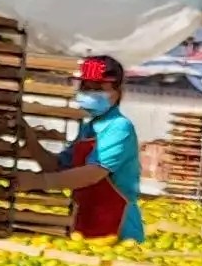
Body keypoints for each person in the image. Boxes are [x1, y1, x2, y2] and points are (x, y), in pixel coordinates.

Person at [47, 55, 147, 241]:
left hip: (118, 229)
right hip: (86, 223)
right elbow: (59, 165)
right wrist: (27, 138)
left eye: (98, 88)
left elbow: (93, 173)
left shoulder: (119, 127)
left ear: (118, 92)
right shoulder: (89, 128)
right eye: (86, 87)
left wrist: (42, 182)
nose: (90, 93)